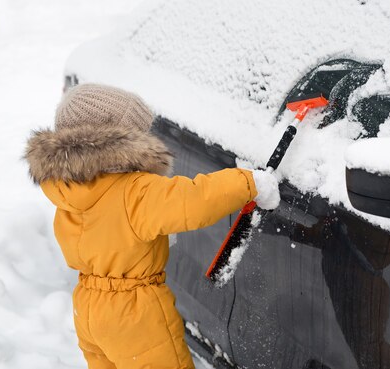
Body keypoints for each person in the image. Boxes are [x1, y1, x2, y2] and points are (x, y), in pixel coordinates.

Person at [24, 83, 280, 369]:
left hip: (88, 309)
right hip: (135, 315)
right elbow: (193, 200)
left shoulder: (67, 192)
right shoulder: (134, 191)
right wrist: (248, 183)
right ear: (116, 142)